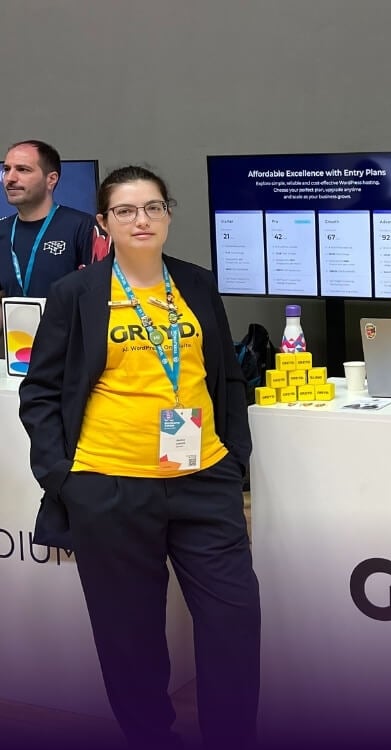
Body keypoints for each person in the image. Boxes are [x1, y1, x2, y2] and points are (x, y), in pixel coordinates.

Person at [19, 166, 260, 749]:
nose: (141, 220)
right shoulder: (75, 294)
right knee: (131, 638)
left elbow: (227, 378)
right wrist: (66, 478)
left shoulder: (198, 284)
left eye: (152, 207)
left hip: (203, 479)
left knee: (234, 623)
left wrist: (233, 463)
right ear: (104, 223)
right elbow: (42, 391)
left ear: (169, 215)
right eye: (125, 211)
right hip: (110, 485)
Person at [0, 140, 103, 299]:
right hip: (13, 324)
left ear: (51, 179)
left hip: (66, 324)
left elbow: (99, 295)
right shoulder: (2, 230)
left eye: (23, 169)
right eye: (6, 169)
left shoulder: (84, 227)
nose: (10, 178)